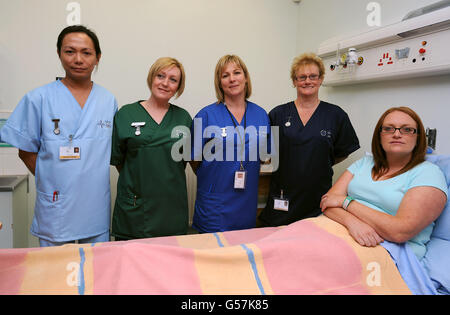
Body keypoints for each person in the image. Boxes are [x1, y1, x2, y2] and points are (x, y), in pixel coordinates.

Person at [0, 25, 118, 246]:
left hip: (94, 206)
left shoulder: (107, 100)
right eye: (70, 51)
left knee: (94, 271)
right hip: (57, 205)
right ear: (59, 54)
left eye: (86, 52)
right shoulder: (39, 98)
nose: (78, 59)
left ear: (97, 58)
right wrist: (52, 178)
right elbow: (25, 152)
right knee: (53, 273)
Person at [320, 107, 448, 260]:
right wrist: (352, 223)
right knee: (286, 243)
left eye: (407, 129)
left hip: (384, 247)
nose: (396, 134)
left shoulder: (428, 173)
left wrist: (346, 202)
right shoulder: (364, 163)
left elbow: (399, 231)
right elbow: (327, 202)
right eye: (388, 128)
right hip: (338, 229)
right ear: (379, 135)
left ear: (418, 137)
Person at [259, 53, 360, 227]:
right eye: (302, 77)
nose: (308, 81)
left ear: (321, 79)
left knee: (313, 241)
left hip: (317, 196)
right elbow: (266, 152)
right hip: (283, 195)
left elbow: (342, 152)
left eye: (313, 76)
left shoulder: (335, 115)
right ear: (294, 81)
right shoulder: (278, 114)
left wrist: (317, 162)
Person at [110, 57, 192, 240]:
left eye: (173, 79)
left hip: (171, 210)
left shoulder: (183, 118)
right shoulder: (126, 114)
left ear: (179, 87)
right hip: (136, 209)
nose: (165, 83)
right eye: (160, 76)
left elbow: (183, 162)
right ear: (151, 78)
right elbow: (119, 161)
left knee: (168, 265)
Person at [190, 55, 271, 233]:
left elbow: (264, 156)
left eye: (237, 73)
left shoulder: (261, 115)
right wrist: (215, 177)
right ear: (219, 83)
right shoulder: (205, 115)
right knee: (212, 257)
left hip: (246, 203)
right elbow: (194, 160)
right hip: (215, 205)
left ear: (246, 78)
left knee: (243, 253)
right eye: (225, 75)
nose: (232, 79)